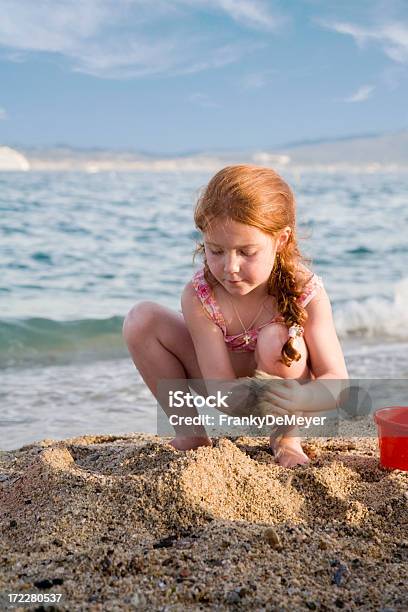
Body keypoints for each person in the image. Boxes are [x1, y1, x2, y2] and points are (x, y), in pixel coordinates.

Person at [123, 165, 348, 467]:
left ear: (280, 240)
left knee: (277, 337)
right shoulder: (200, 295)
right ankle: (190, 434)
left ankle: (286, 439)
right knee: (141, 319)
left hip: (283, 396)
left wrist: (306, 399)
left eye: (246, 252)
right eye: (216, 251)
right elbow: (220, 389)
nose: (230, 267)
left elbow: (337, 380)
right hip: (224, 391)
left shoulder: (305, 290)